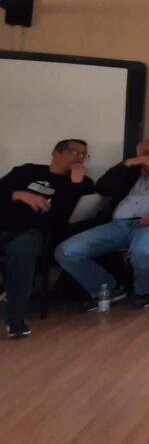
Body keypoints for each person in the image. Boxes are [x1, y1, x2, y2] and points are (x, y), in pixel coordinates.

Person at [56, 139, 149, 310]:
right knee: (66, 251)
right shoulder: (128, 173)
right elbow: (102, 188)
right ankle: (109, 289)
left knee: (144, 249)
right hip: (116, 226)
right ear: (138, 156)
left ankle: (143, 293)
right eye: (147, 153)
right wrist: (126, 165)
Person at [0, 139, 95, 337]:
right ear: (56, 153)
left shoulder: (83, 184)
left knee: (22, 248)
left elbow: (66, 217)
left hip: (35, 232)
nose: (79, 158)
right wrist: (19, 194)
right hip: (4, 225)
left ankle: (16, 319)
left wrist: (75, 184)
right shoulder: (26, 171)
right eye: (74, 152)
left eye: (83, 154)